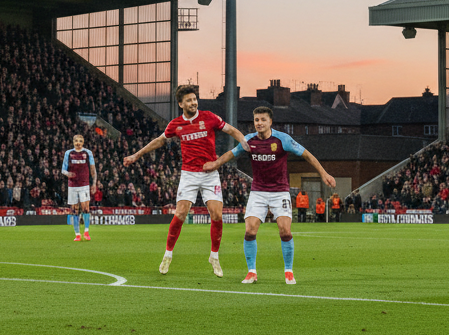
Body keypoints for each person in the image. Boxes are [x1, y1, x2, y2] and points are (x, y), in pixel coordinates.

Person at [124, 84, 249, 276]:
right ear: (181, 103)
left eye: (194, 99)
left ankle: (214, 257)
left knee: (216, 215)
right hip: (189, 174)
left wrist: (243, 140)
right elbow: (159, 140)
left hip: (210, 174)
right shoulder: (175, 124)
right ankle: (168, 255)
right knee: (181, 214)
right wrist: (136, 155)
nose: (193, 102)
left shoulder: (209, 117)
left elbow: (231, 130)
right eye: (189, 100)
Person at [204, 106, 335, 285]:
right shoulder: (248, 141)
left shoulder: (282, 140)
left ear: (270, 122)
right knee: (250, 231)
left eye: (263, 120)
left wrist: (324, 173)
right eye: (256, 120)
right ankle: (251, 272)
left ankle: (288, 271)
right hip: (258, 192)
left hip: (279, 191)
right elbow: (231, 154)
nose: (259, 123)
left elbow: (307, 155)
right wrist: (216, 163)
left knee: (285, 230)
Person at [62, 134, 97, 242]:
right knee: (74, 210)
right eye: (76, 141)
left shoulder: (88, 153)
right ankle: (77, 234)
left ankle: (86, 231)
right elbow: (63, 170)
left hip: (84, 185)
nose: (78, 143)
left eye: (80, 141)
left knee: (86, 208)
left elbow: (93, 169)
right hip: (72, 186)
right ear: (73, 142)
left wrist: (94, 183)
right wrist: (68, 174)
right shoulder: (68, 153)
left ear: (83, 142)